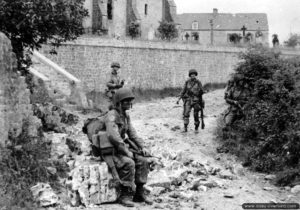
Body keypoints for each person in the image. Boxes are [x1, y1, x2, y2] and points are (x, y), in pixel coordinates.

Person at [84, 88, 152, 207]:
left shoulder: (125, 116)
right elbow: (113, 135)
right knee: (128, 163)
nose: (128, 104)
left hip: (119, 148)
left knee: (142, 160)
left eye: (129, 101)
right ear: (119, 103)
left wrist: (143, 146)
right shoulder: (111, 116)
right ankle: (125, 196)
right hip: (108, 150)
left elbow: (132, 134)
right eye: (125, 101)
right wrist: (126, 152)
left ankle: (139, 193)